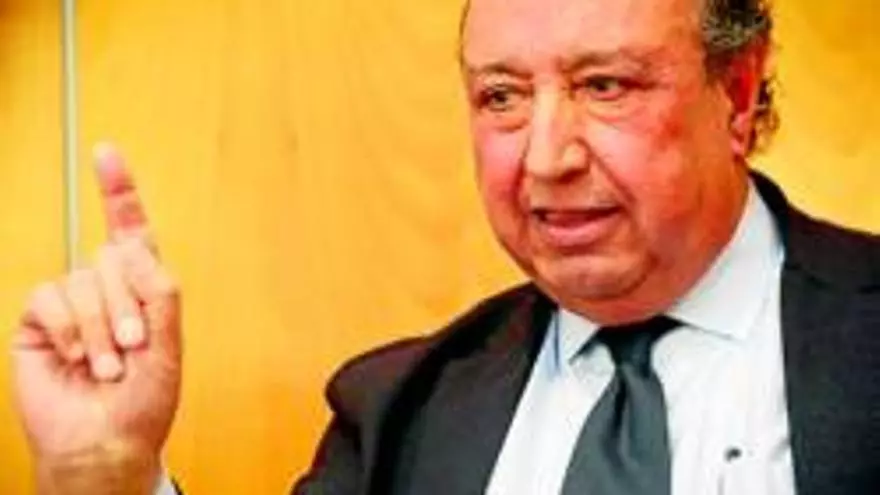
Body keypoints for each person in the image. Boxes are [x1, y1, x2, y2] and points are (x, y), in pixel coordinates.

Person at [11, 0, 880, 493]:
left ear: (737, 92)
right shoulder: (396, 408)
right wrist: (107, 474)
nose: (546, 157)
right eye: (501, 97)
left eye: (604, 85)